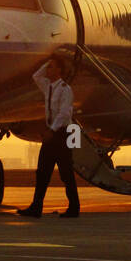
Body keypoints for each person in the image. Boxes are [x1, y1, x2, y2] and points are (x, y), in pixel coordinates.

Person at [19, 55, 80, 218]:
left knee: (66, 173)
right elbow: (36, 76)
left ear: (59, 70)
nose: (48, 70)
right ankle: (36, 207)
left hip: (61, 134)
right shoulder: (48, 87)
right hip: (51, 134)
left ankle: (74, 207)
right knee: (42, 172)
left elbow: (64, 113)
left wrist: (51, 131)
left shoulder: (65, 89)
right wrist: (48, 60)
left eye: (52, 67)